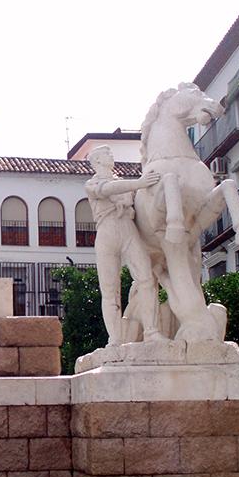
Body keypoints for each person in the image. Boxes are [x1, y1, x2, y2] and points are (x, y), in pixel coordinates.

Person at [85, 145, 165, 345]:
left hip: (128, 229)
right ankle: (115, 338)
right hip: (107, 233)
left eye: (111, 152)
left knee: (146, 278)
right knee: (110, 290)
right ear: (97, 162)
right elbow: (106, 190)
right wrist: (138, 183)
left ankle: (151, 332)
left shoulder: (123, 183)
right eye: (107, 154)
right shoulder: (91, 184)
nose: (112, 156)